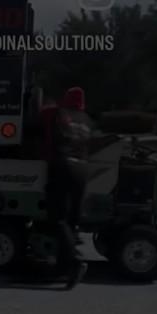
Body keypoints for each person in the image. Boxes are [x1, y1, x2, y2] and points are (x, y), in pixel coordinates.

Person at [43, 86, 91, 289]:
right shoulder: (87, 120)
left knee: (57, 218)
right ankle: (62, 270)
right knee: (72, 221)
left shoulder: (57, 113)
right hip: (83, 170)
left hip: (63, 166)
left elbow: (41, 119)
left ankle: (75, 260)